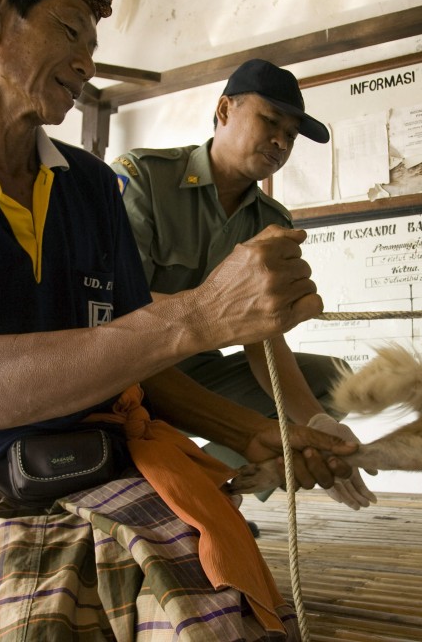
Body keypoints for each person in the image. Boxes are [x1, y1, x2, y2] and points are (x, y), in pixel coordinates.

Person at [0, 0, 358, 640]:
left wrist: (253, 434)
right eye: (70, 30)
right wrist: (196, 316)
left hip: (115, 463)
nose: (87, 61)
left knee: (223, 626)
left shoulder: (90, 185)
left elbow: (135, 367)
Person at [111, 59, 376, 513]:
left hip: (198, 371)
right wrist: (217, 310)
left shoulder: (272, 223)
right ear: (224, 110)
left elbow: (264, 344)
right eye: (270, 121)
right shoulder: (144, 177)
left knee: (334, 375)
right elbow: (116, 303)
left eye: (291, 135)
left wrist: (315, 421)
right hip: (129, 365)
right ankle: (166, 498)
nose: (280, 141)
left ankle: (215, 494)